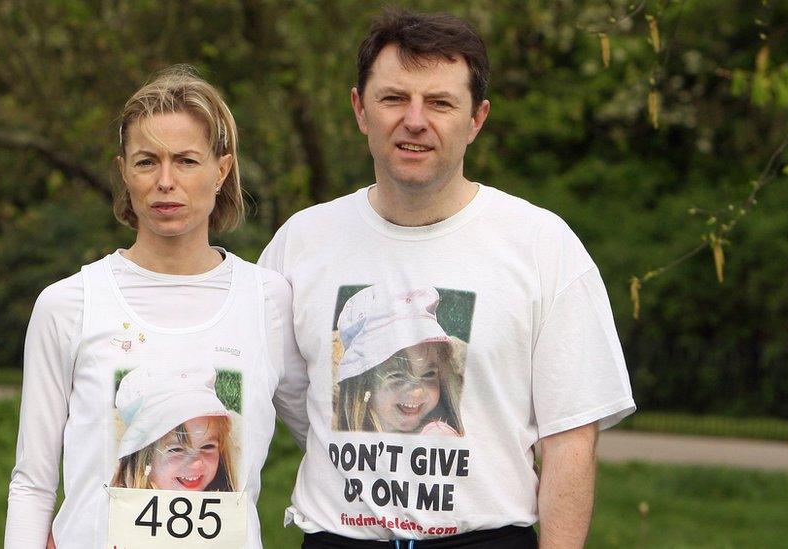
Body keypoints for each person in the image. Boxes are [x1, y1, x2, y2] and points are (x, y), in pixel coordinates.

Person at [259, 9, 635, 548]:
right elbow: (294, 397)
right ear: (360, 109)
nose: (415, 120)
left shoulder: (541, 245)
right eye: (393, 99)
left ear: (476, 119)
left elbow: (570, 439)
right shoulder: (301, 242)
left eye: (440, 102)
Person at [5, 65, 308, 549]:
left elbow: (325, 440)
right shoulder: (68, 304)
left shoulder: (269, 300)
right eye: (147, 162)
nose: (166, 181)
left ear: (221, 170)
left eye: (186, 161)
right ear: (124, 172)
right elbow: (32, 483)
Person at [333, 285, 465, 436]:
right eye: (396, 376)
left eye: (428, 374)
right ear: (364, 382)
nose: (417, 392)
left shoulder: (437, 435)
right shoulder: (357, 432)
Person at [110, 366, 238, 492]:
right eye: (176, 449)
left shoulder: (230, 499)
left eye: (208, 446)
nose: (196, 464)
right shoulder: (122, 507)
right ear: (144, 459)